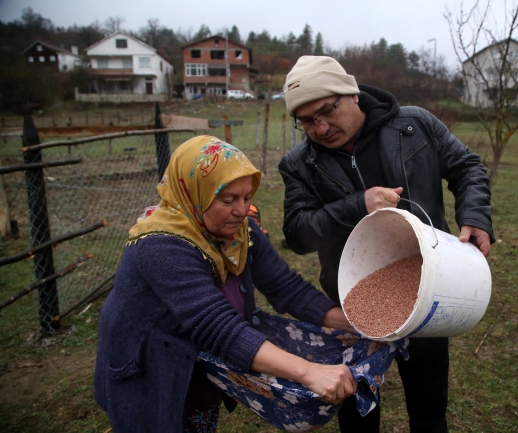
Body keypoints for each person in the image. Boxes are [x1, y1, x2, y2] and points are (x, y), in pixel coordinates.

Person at [278, 56, 495, 433]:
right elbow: (297, 233)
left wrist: (475, 215)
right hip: (352, 304)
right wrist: (357, 204)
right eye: (307, 121)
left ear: (352, 95)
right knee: (358, 411)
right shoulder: (300, 163)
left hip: (432, 289)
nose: (321, 127)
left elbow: (467, 166)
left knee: (429, 408)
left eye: (327, 111)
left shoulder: (414, 125)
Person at [94, 135, 357, 433]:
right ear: (194, 193)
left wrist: (356, 324)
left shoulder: (240, 232)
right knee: (159, 419)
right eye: (228, 199)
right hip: (149, 360)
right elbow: (216, 327)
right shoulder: (161, 245)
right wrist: (308, 371)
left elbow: (287, 288)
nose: (242, 210)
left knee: (197, 419)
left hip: (195, 357)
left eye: (247, 197)